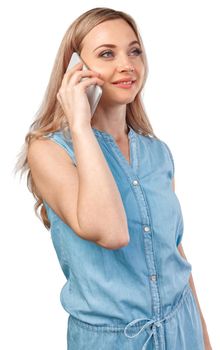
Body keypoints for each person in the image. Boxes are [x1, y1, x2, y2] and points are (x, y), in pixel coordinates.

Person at [15, 7, 212, 350]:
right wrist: (79, 123)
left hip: (183, 330)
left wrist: (206, 341)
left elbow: (175, 253)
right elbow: (111, 232)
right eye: (107, 54)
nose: (127, 64)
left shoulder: (157, 152)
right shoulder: (49, 151)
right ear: (75, 69)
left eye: (134, 51)